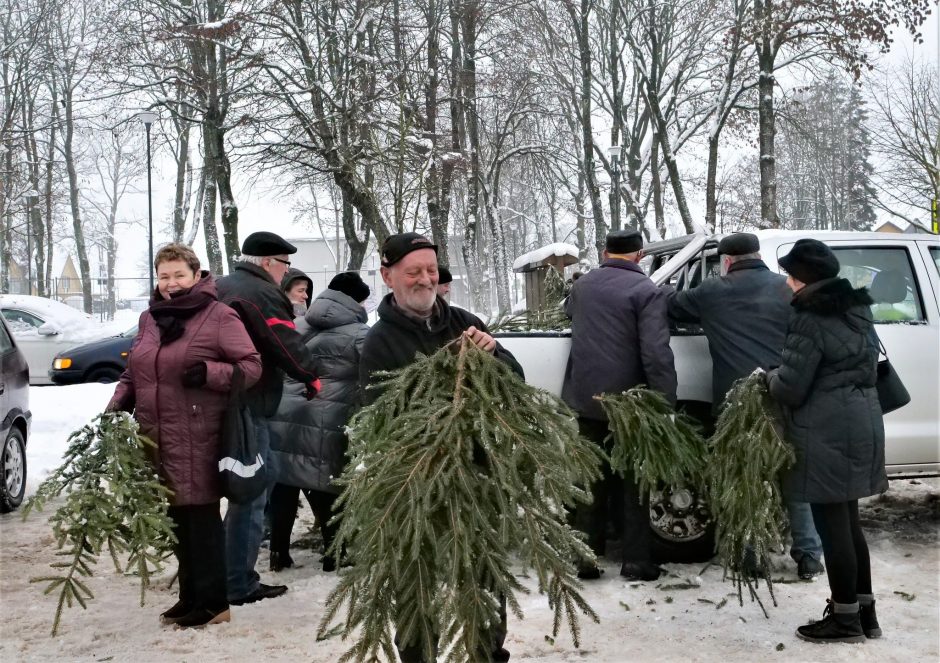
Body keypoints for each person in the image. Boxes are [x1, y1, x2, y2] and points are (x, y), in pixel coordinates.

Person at [359, 232, 522, 663]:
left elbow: (515, 383)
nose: (424, 279)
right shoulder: (379, 342)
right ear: (388, 276)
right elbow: (379, 415)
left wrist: (496, 357)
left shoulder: (465, 322)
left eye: (431, 270)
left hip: (477, 478)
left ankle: (487, 655)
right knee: (416, 586)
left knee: (484, 581)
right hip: (415, 487)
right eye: (413, 272)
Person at [109, 243, 262, 628]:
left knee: (201, 520)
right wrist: (116, 405)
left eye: (179, 275)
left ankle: (213, 603)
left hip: (200, 435)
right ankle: (190, 596)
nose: (171, 284)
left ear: (197, 276)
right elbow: (136, 372)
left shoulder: (219, 316)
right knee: (177, 519)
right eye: (164, 276)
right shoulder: (150, 319)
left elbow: (252, 366)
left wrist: (211, 373)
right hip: (157, 436)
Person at [666, 233, 824, 580]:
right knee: (794, 475)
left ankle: (748, 554)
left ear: (726, 261)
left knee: (742, 479)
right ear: (757, 254)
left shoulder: (712, 292)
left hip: (736, 402)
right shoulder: (786, 288)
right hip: (786, 395)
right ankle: (809, 555)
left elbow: (672, 305)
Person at [768, 239, 886, 644]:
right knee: (848, 524)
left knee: (832, 527)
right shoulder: (858, 308)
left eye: (790, 275)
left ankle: (845, 620)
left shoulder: (809, 317)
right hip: (863, 420)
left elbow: (791, 388)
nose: (786, 283)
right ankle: (864, 614)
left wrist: (768, 377)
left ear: (803, 280)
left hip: (825, 429)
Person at [562, 228, 677, 582]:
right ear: (640, 255)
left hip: (586, 400)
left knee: (591, 477)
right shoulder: (646, 291)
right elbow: (655, 352)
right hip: (630, 403)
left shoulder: (582, 287)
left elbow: (568, 313)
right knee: (634, 481)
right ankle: (636, 561)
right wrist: (664, 401)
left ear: (604, 251)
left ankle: (586, 556)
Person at [216, 231, 321, 606]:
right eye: (285, 264)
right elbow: (283, 342)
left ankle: (223, 572)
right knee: (253, 488)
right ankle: (237, 581)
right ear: (267, 263)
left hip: (221, 399)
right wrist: (310, 375)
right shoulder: (260, 292)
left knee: (255, 479)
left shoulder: (221, 284)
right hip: (248, 401)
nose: (286, 272)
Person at [268, 272, 371, 573]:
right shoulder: (360, 333)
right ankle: (334, 552)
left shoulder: (298, 324)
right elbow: (372, 376)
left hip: (284, 412)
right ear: (356, 300)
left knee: (284, 484)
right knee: (325, 484)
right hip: (327, 417)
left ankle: (278, 552)